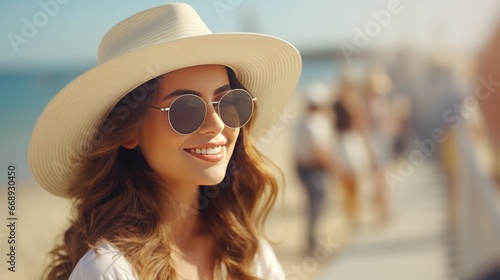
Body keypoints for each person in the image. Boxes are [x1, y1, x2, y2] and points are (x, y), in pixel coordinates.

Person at [28, 3, 301, 280]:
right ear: (129, 132)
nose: (217, 124)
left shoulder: (245, 249)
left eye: (229, 102)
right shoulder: (110, 270)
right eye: (186, 109)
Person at [293, 81, 339, 254]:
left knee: (312, 205)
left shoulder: (300, 122)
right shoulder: (316, 123)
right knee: (317, 206)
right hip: (314, 169)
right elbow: (319, 151)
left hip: (303, 169)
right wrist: (332, 166)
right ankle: (312, 244)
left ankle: (311, 242)